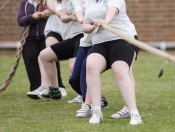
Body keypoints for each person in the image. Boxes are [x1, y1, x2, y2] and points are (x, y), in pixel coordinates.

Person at [83, 0, 142, 125]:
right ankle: (96, 111)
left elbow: (112, 10)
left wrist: (106, 22)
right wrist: (93, 26)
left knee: (120, 71)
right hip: (99, 42)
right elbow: (85, 25)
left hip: (121, 39)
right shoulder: (89, 2)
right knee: (91, 66)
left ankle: (134, 113)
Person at [67, 0, 109, 118]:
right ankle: (97, 99)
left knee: (87, 74)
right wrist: (85, 21)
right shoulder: (80, 2)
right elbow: (80, 14)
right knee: (74, 79)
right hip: (85, 43)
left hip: (98, 44)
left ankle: (88, 104)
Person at [38, 0, 84, 100]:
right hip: (74, 38)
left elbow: (81, 11)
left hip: (85, 37)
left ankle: (94, 98)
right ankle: (54, 91)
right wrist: (71, 17)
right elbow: (63, 17)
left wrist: (80, 18)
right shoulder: (64, 2)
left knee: (75, 70)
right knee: (44, 55)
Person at [17, 0, 49, 97]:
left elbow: (56, 14)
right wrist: (32, 17)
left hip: (46, 36)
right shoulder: (24, 3)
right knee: (31, 59)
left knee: (48, 60)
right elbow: (20, 20)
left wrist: (46, 14)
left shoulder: (49, 2)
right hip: (29, 38)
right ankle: (35, 88)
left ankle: (51, 88)